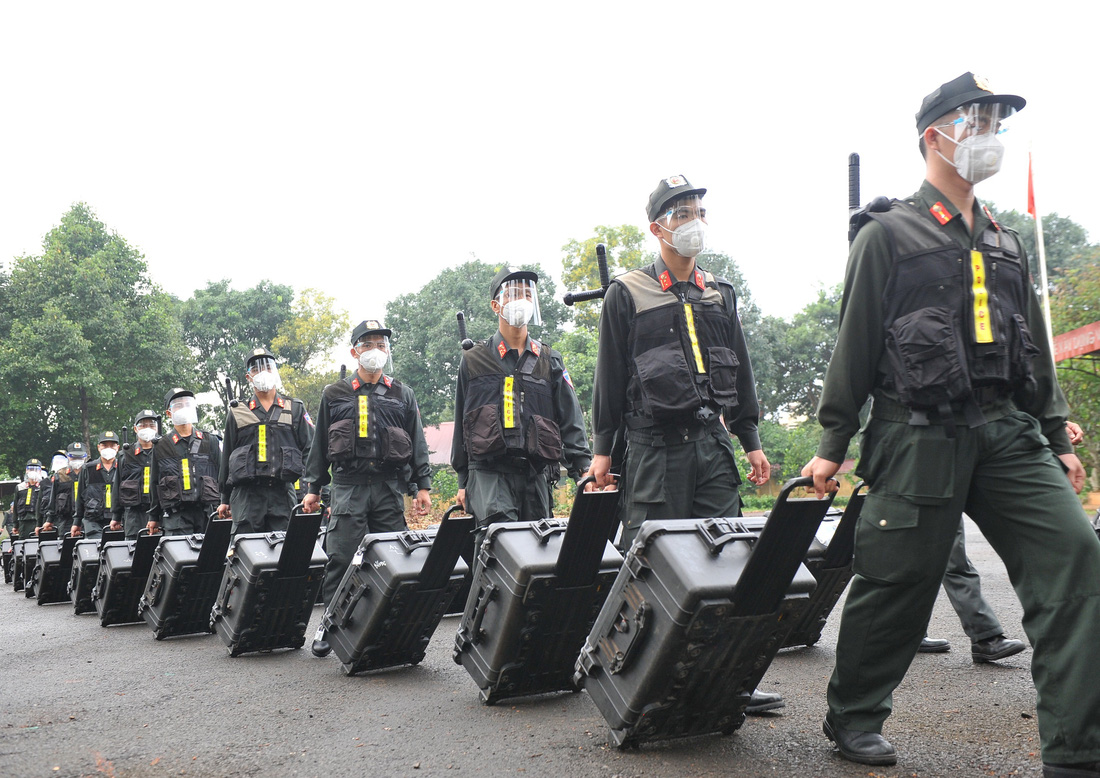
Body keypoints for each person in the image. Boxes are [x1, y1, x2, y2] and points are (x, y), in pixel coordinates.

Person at [801, 73, 1100, 774]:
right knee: (897, 586)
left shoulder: (1005, 238)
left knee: (1076, 559)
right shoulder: (887, 234)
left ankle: (1078, 749)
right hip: (916, 434)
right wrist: (831, 445)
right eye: (977, 121)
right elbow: (855, 343)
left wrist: (1056, 435)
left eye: (996, 123)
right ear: (934, 135)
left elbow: (1031, 345)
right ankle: (853, 716)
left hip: (1006, 432)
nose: (989, 135)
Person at [586, 175, 777, 714]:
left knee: (728, 559)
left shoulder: (720, 292)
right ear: (657, 228)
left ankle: (726, 677)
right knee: (652, 565)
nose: (693, 219)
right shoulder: (627, 293)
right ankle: (637, 677)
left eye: (698, 209)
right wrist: (603, 452)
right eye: (680, 211)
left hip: (712, 445)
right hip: (652, 448)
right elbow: (610, 375)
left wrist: (751, 439)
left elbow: (739, 371)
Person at [303, 320, 432, 657]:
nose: (376, 349)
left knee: (392, 557)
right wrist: (313, 488)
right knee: (342, 558)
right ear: (354, 351)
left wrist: (423, 486)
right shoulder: (335, 393)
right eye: (369, 343)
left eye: (381, 344)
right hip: (348, 488)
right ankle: (330, 626)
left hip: (389, 489)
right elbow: (319, 446)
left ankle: (388, 626)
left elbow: (417, 441)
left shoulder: (402, 393)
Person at [451, 267, 591, 551]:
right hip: (489, 477)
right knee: (499, 550)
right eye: (514, 293)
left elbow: (570, 420)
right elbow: (461, 424)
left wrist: (582, 471)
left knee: (538, 553)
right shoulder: (473, 360)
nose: (522, 299)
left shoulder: (549, 360)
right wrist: (463, 481)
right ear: (495, 305)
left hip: (535, 476)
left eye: (528, 293)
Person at [218, 347, 314, 535]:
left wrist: (318, 490)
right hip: (246, 496)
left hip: (283, 493)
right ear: (248, 377)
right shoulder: (238, 411)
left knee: (284, 551)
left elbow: (310, 451)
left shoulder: (294, 408)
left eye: (268, 367)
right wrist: (224, 499)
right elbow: (227, 456)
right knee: (246, 552)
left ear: (275, 371)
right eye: (255, 369)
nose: (262, 372)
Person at [148, 388, 221, 536]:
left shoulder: (209, 441)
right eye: (178, 405)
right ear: (169, 413)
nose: (184, 408)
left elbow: (222, 474)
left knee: (210, 557)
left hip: (207, 514)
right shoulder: (161, 446)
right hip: (176, 517)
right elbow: (155, 482)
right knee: (181, 557)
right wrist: (153, 517)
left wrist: (226, 504)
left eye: (187, 403)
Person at [117, 410, 160, 539]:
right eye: (143, 425)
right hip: (134, 515)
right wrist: (116, 516)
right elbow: (117, 486)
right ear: (135, 429)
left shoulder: (164, 451)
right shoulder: (125, 454)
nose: (147, 428)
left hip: (159, 514)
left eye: (151, 425)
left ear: (157, 428)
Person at [75, 431, 122, 538]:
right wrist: (76, 522)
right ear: (98, 447)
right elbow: (80, 498)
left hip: (118, 521)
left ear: (118, 447)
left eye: (112, 445)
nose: (108, 448)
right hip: (93, 521)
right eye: (105, 445)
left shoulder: (123, 467)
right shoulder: (88, 468)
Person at [43, 442, 88, 537]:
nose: (77, 460)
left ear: (85, 457)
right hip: (66, 520)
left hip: (87, 519)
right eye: (73, 457)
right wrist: (49, 520)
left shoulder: (90, 473)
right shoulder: (60, 475)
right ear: (68, 457)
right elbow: (53, 499)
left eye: (80, 457)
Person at [11, 459, 46, 539]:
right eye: (30, 469)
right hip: (23, 522)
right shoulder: (20, 487)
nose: (33, 471)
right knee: (24, 544)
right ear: (26, 470)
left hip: (40, 521)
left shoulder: (44, 485)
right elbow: (15, 507)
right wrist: (15, 525)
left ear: (40, 471)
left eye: (36, 469)